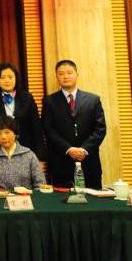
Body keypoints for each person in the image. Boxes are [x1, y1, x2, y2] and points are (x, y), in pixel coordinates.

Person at [42, 60, 106, 189]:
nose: (65, 76)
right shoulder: (49, 101)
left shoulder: (93, 100)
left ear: (77, 74)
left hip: (88, 161)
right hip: (61, 161)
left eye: (69, 73)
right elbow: (48, 130)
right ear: (56, 77)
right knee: (62, 199)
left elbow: (100, 129)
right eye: (61, 74)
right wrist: (68, 149)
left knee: (92, 198)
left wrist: (84, 149)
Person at [0, 63, 43, 159]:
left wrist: (40, 156)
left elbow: (36, 128)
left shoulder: (27, 98)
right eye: (3, 77)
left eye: (10, 77)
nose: (7, 80)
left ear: (16, 79)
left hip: (25, 151)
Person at [0, 116, 46, 190]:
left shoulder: (29, 155)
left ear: (15, 134)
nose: (3, 137)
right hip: (0, 197)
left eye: (7, 132)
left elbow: (41, 184)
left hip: (26, 196)